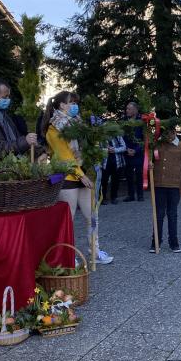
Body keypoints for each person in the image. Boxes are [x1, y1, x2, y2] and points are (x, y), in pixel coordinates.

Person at [42, 91, 114, 265]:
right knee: (69, 219)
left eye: (76, 102)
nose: (75, 106)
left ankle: (95, 251)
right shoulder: (54, 128)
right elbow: (64, 156)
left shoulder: (78, 124)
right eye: (71, 102)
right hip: (67, 177)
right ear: (61, 105)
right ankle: (67, 256)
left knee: (92, 215)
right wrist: (80, 175)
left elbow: (87, 147)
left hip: (85, 174)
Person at [149, 126, 181, 253]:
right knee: (158, 214)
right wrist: (149, 165)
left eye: (171, 133)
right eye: (166, 134)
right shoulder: (158, 146)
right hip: (159, 185)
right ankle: (156, 241)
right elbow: (150, 160)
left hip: (174, 186)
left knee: (172, 214)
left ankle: (174, 242)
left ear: (175, 132)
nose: (169, 136)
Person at [122, 101, 145, 202]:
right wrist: (126, 149)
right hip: (127, 151)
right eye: (126, 109)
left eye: (129, 109)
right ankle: (130, 195)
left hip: (138, 152)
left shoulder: (142, 121)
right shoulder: (123, 121)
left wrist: (136, 150)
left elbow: (144, 139)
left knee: (139, 174)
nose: (127, 110)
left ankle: (140, 195)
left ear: (135, 110)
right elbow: (121, 137)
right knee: (129, 174)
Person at [101, 133, 127, 204]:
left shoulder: (117, 135)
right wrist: (107, 150)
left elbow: (124, 147)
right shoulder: (101, 136)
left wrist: (115, 150)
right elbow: (97, 148)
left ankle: (114, 197)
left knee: (115, 180)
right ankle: (103, 198)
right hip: (105, 163)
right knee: (104, 181)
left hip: (116, 162)